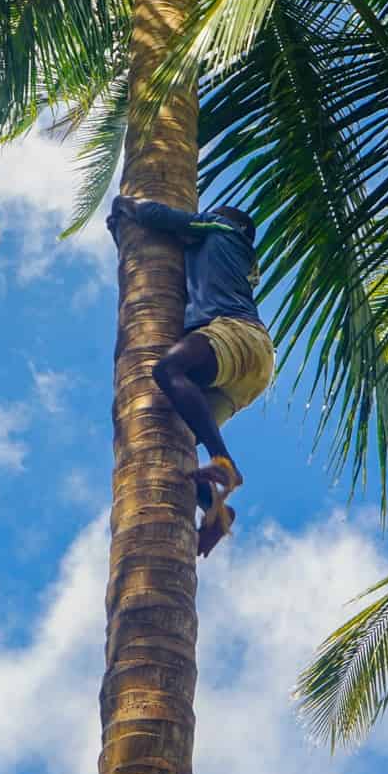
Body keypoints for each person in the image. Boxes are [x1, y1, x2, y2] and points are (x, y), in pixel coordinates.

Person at [107, 194, 274, 557]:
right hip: (249, 368)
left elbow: (158, 213)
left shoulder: (221, 228)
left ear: (230, 222)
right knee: (172, 440)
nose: (208, 216)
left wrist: (129, 208)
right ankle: (216, 511)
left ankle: (223, 461)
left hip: (237, 335)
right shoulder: (227, 257)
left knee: (168, 370)